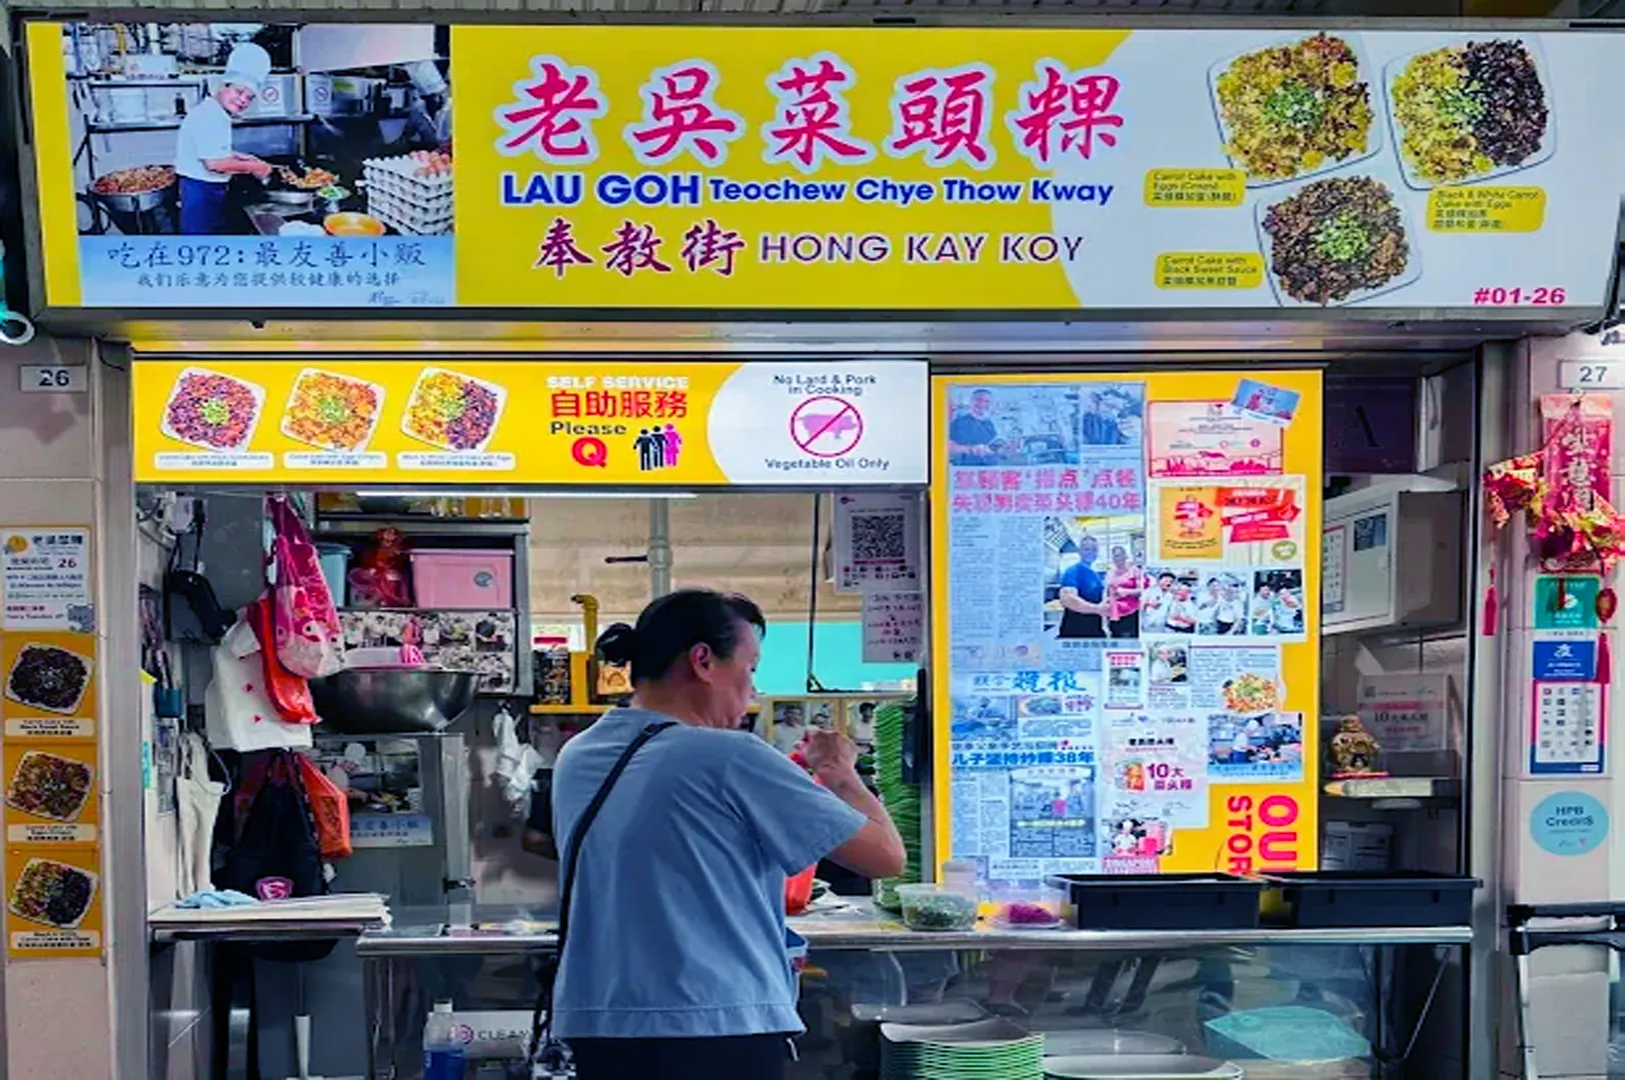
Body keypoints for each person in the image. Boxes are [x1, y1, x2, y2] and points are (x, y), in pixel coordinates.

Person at [551, 590, 903, 1080]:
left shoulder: (579, 755)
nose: (752, 691)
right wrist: (841, 773)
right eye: (750, 667)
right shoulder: (729, 756)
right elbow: (886, 857)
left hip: (599, 1023)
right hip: (712, 1024)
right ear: (702, 661)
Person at [174, 43, 274, 234]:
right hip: (200, 192)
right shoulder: (212, 116)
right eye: (239, 91)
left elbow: (207, 150)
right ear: (223, 86)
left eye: (249, 97)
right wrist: (256, 168)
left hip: (203, 189)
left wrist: (240, 157)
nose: (243, 100)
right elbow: (214, 163)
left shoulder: (213, 110)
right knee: (200, 241)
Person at [1056, 535, 1109, 639]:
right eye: (1087, 549)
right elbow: (1067, 599)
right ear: (1079, 552)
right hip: (1075, 631)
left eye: (1094, 550)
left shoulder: (1095, 574)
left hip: (1094, 629)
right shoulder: (1073, 571)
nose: (1091, 553)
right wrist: (1098, 609)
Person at [403, 59, 451, 151]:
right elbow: (406, 135)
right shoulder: (418, 110)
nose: (437, 99)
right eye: (431, 97)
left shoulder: (454, 109)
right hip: (431, 158)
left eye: (440, 95)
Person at [948, 389, 1000, 465]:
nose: (982, 404)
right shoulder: (959, 422)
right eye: (978, 400)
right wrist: (971, 449)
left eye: (987, 401)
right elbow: (948, 447)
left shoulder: (989, 424)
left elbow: (991, 445)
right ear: (971, 401)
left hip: (989, 469)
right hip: (967, 469)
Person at [1104, 545, 1143, 639]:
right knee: (1116, 640)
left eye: (1120, 555)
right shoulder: (1110, 572)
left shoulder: (1134, 570)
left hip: (1130, 613)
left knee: (1129, 642)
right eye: (1115, 556)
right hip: (1114, 614)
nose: (1118, 558)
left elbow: (1142, 591)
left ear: (1125, 556)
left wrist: (1126, 591)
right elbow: (1106, 592)